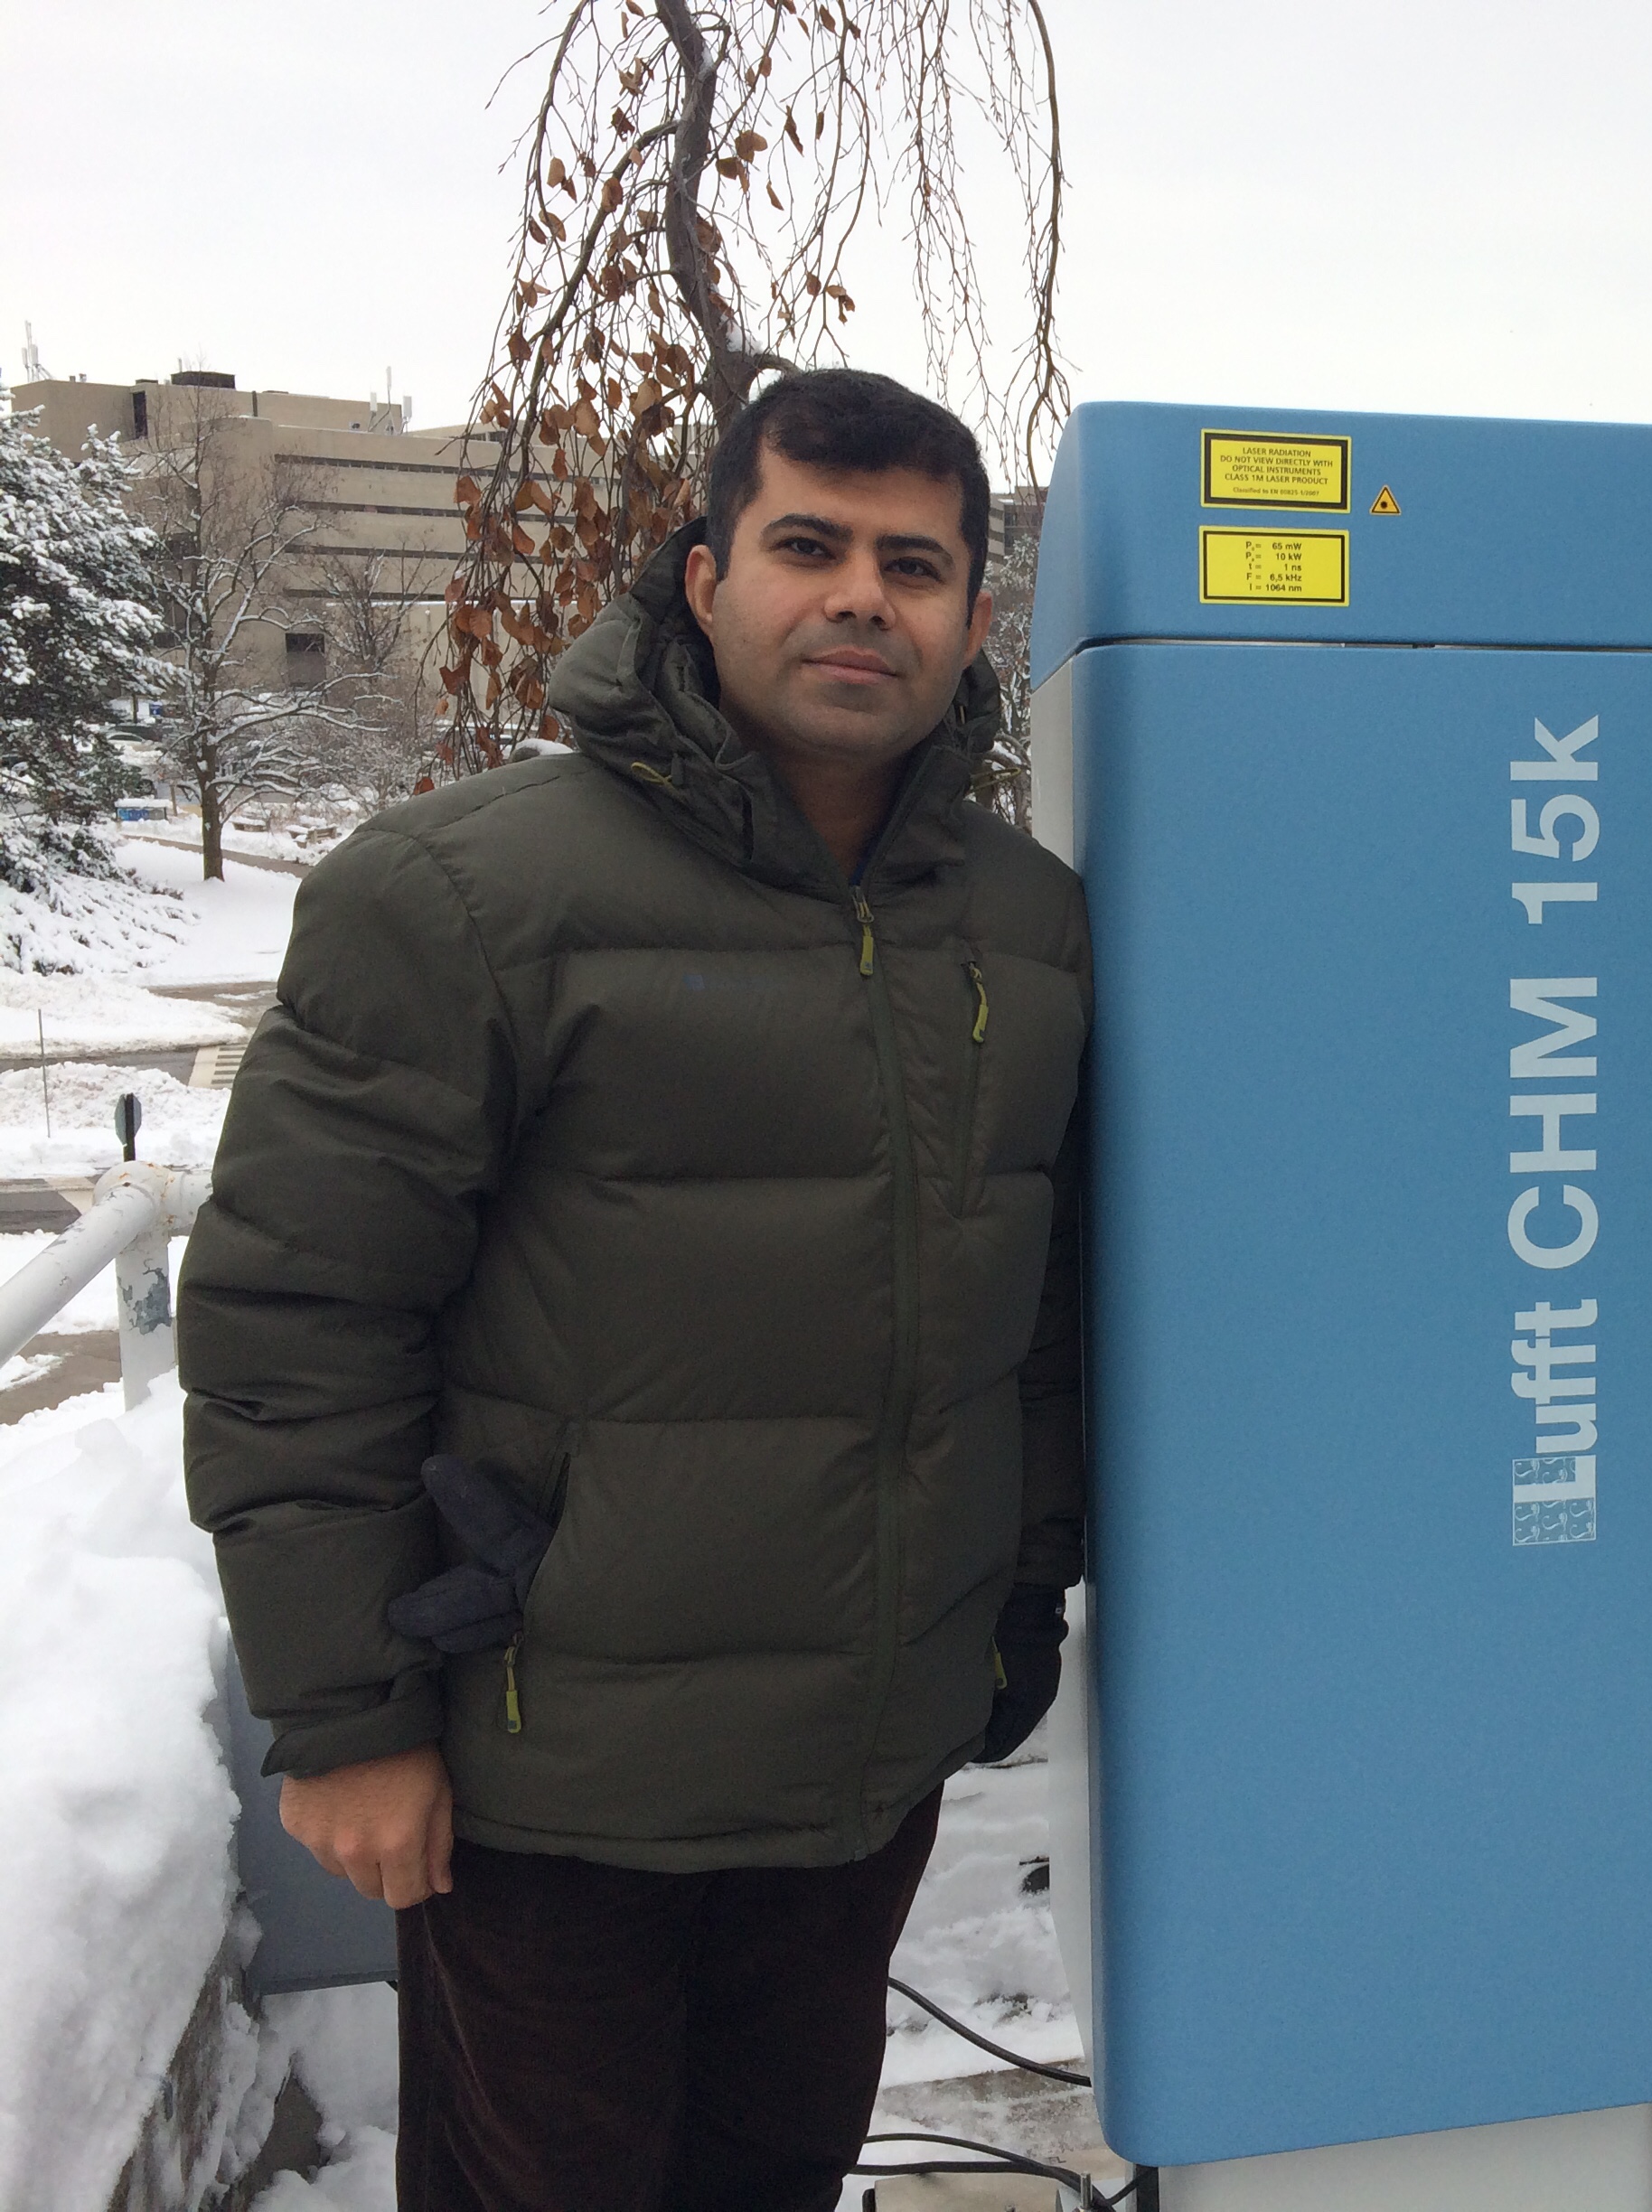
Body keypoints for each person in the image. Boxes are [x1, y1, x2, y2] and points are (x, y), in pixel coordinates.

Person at [183, 367, 1090, 2212]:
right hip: (554, 1775)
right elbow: (299, 1318)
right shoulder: (465, 893)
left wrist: (1019, 1593)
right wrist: (346, 1715)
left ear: (974, 614)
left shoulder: (1024, 922)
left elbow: (1039, 1314)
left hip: (859, 1761)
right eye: (807, 546)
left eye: (914, 565)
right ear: (701, 576)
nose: (861, 598)